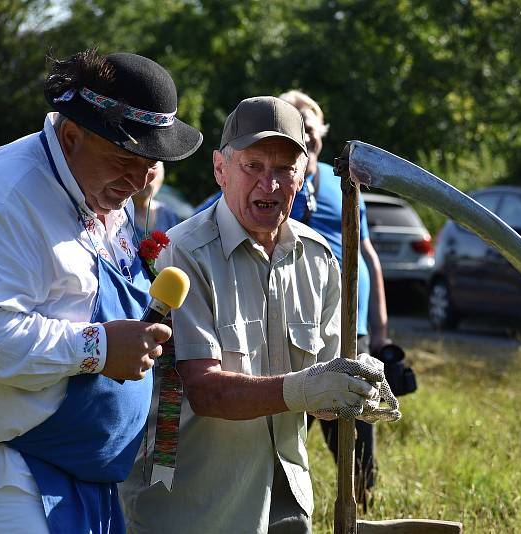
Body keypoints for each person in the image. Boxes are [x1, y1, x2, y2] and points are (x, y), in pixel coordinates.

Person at [0, 49, 202, 533]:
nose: (135, 183)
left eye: (148, 165)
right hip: (3, 473)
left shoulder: (100, 190)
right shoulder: (5, 197)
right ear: (71, 136)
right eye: (123, 161)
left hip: (80, 475)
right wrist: (98, 347)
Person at [121, 96, 392, 533]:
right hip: (193, 509)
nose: (270, 185)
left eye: (285, 169)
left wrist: (353, 383)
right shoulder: (182, 253)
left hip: (287, 503)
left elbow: (324, 393)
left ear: (303, 176)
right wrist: (308, 388)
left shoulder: (319, 259)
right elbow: (207, 392)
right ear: (219, 169)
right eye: (253, 166)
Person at [278, 89, 391, 509]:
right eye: (296, 129)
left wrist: (379, 332)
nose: (305, 137)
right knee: (286, 432)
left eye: (311, 129)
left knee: (356, 431)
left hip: (348, 331)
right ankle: (285, 509)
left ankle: (361, 506)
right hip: (287, 332)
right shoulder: (263, 184)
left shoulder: (344, 184)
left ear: (322, 135)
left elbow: (368, 256)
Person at [132, 161, 180, 239]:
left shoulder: (169, 216)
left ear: (161, 180)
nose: (145, 180)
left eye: (153, 170)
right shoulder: (120, 212)